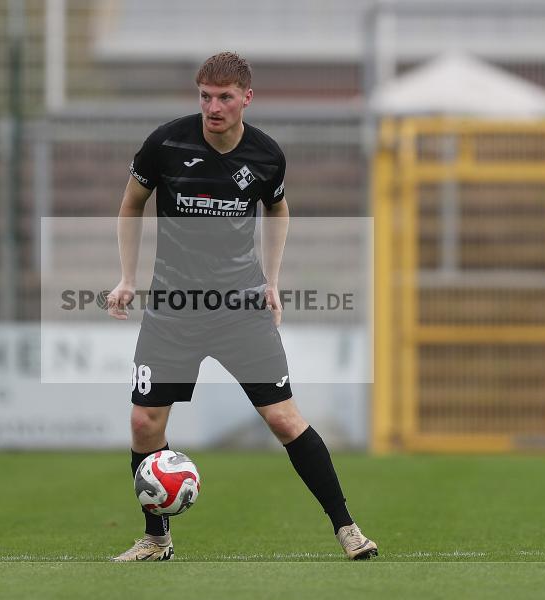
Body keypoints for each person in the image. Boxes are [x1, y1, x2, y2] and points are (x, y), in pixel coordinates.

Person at [106, 52, 377, 562]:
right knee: (145, 423)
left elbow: (278, 208)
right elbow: (131, 204)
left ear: (246, 98)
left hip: (240, 308)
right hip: (173, 309)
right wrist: (127, 277)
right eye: (205, 96)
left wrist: (272, 282)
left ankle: (347, 529)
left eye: (224, 97)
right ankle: (156, 539)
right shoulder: (166, 143)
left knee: (283, 419)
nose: (213, 107)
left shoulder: (266, 155)